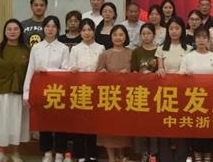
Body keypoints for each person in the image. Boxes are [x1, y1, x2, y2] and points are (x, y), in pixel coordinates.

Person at [23, 15, 70, 162]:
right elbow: (30, 70)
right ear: (43, 28)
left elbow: (66, 71)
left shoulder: (63, 48)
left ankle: (60, 152)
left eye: (54, 26)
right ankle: (47, 152)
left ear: (58, 29)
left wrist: (48, 71)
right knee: (44, 122)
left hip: (58, 91)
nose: (50, 29)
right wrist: (26, 93)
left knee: (60, 123)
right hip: (40, 91)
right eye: (47, 26)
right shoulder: (36, 47)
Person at [0, 19, 30, 162]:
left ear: (20, 31)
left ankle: (15, 152)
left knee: (17, 122)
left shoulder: (27, 49)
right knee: (0, 122)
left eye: (15, 29)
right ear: (4, 32)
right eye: (9, 29)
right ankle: (0, 151)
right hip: (1, 92)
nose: (12, 32)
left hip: (19, 93)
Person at [68, 18, 105, 162]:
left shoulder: (101, 48)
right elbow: (70, 68)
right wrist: (73, 69)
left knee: (93, 123)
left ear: (94, 31)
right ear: (80, 32)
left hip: (96, 91)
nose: (87, 33)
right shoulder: (75, 49)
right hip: (79, 91)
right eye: (84, 30)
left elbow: (103, 67)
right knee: (79, 123)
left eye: (89, 30)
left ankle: (93, 153)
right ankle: (80, 154)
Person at [180, 27, 213, 162]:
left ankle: (208, 155)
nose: (201, 40)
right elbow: (179, 76)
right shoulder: (188, 57)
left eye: (204, 37)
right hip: (193, 99)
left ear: (208, 40)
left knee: (208, 126)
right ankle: (196, 155)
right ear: (194, 40)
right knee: (194, 127)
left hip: (210, 99)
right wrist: (186, 75)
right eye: (199, 37)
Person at [156, 17, 191, 162]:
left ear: (182, 30)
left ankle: (182, 155)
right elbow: (160, 67)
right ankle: (165, 156)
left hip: (183, 93)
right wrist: (159, 70)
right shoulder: (161, 48)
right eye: (171, 28)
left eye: (177, 28)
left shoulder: (189, 48)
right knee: (165, 123)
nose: (174, 31)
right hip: (166, 93)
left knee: (181, 123)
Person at [96, 25, 132, 162]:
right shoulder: (105, 54)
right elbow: (98, 73)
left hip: (125, 97)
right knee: (108, 128)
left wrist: (128, 74)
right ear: (111, 37)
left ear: (125, 37)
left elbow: (137, 74)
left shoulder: (131, 53)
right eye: (115, 34)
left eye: (121, 34)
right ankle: (111, 157)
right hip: (108, 97)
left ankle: (121, 155)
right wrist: (102, 72)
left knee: (122, 128)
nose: (118, 37)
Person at [131, 23, 160, 162]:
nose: (146, 36)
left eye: (149, 33)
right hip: (140, 92)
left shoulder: (159, 50)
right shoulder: (136, 52)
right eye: (143, 34)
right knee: (141, 123)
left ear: (154, 35)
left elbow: (162, 70)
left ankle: (153, 153)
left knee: (153, 124)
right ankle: (143, 152)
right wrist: (142, 75)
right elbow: (133, 72)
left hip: (156, 93)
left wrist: (152, 74)